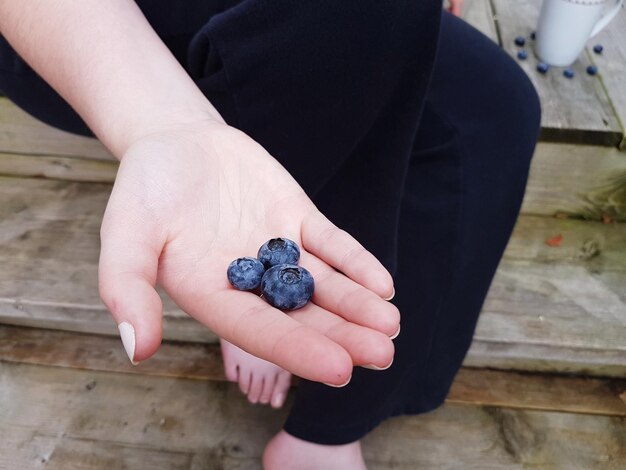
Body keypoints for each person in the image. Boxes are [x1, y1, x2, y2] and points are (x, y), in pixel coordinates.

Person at [0, 1, 540, 468]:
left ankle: (334, 424)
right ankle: (246, 258)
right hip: (92, 31)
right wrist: (165, 123)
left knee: (496, 112)